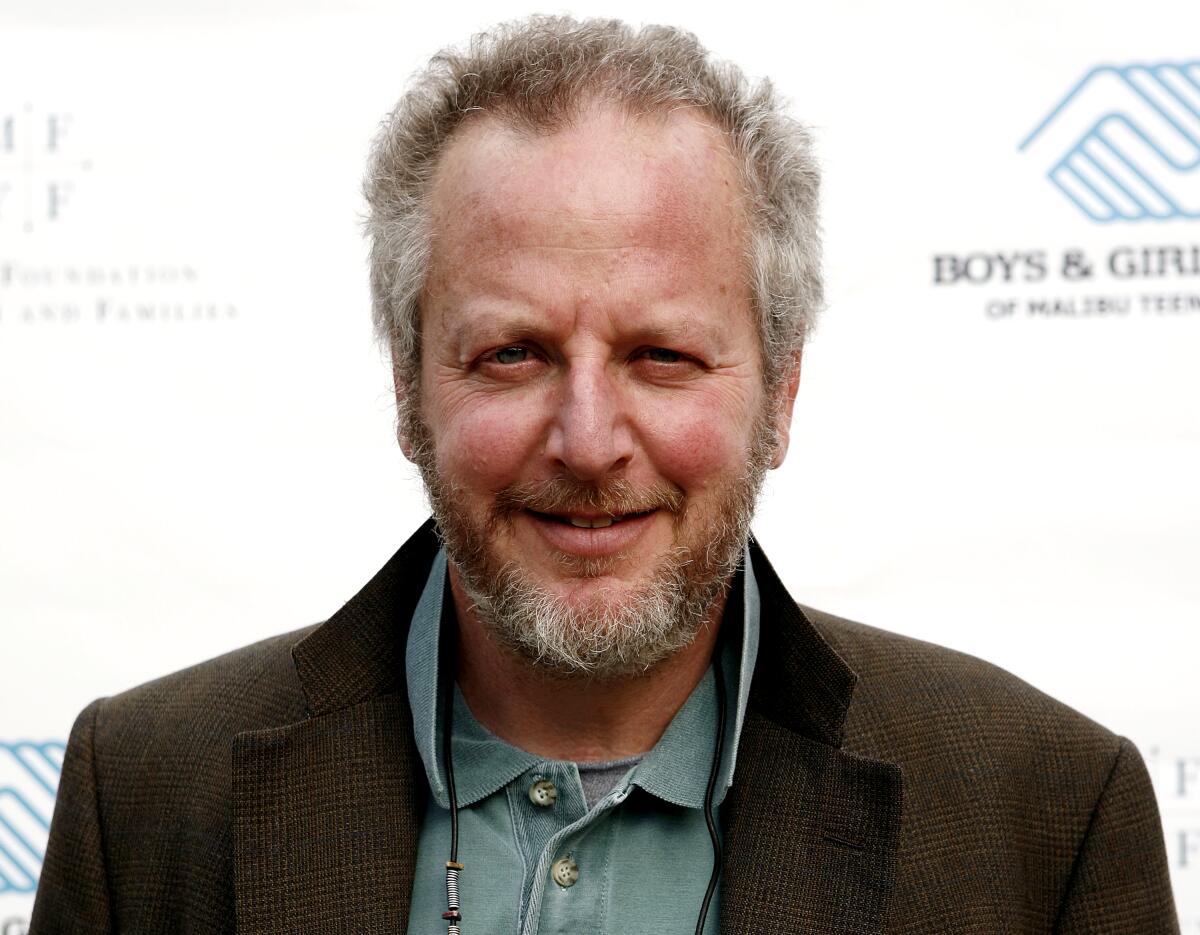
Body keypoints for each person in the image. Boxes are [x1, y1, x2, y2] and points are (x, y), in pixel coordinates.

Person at [31, 16, 1178, 935]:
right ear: (407, 388)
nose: (587, 441)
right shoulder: (141, 799)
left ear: (778, 393)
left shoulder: (1044, 818)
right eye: (512, 353)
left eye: (663, 355)